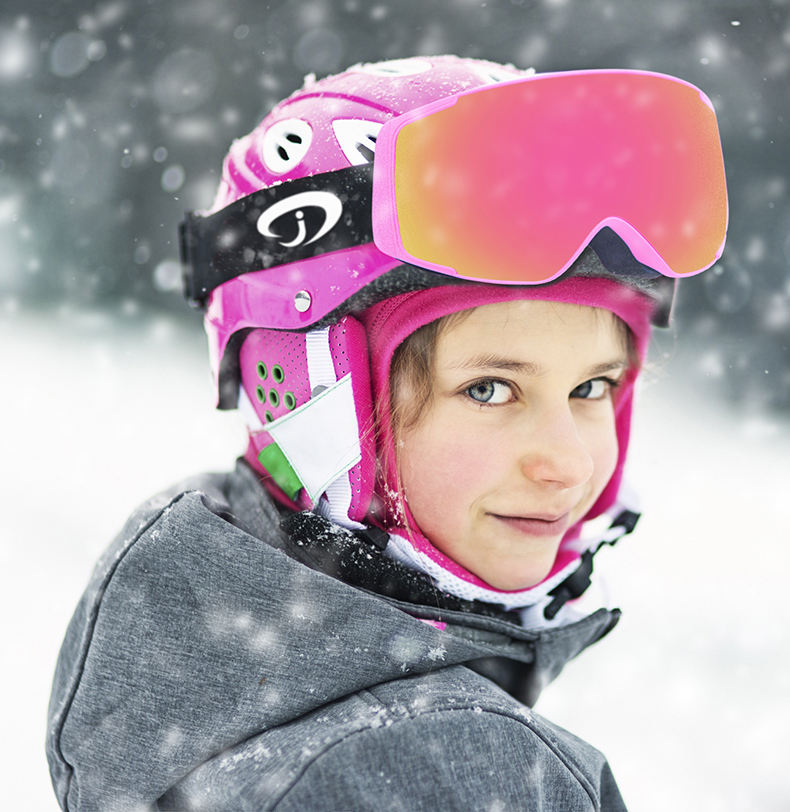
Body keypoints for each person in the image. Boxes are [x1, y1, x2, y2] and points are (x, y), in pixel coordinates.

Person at [46, 56, 728, 811]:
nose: (566, 462)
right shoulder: (452, 768)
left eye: (591, 388)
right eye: (489, 389)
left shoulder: (181, 644)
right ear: (307, 392)